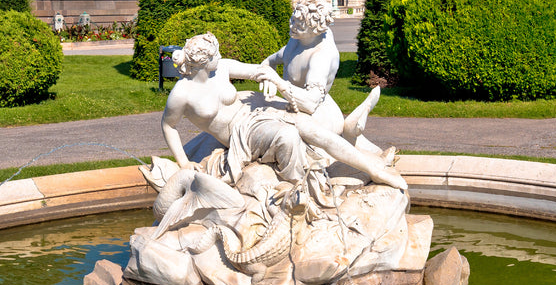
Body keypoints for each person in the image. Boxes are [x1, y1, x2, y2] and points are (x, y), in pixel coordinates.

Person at [162, 33, 405, 190]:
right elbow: (168, 126)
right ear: (202, 62)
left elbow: (257, 70)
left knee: (311, 128)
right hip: (242, 133)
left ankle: (373, 168)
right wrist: (183, 163)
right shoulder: (182, 93)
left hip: (254, 108)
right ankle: (303, 186)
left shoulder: (221, 68)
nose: (221, 57)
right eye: (215, 55)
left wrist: (270, 78)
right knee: (287, 137)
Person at [257, 0, 385, 155]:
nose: (292, 26)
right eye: (293, 19)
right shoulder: (297, 40)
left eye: (299, 23)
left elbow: (310, 103)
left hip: (320, 118)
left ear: (315, 27)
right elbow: (272, 60)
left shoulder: (321, 56)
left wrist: (277, 81)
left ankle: (357, 144)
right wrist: (264, 73)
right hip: (294, 110)